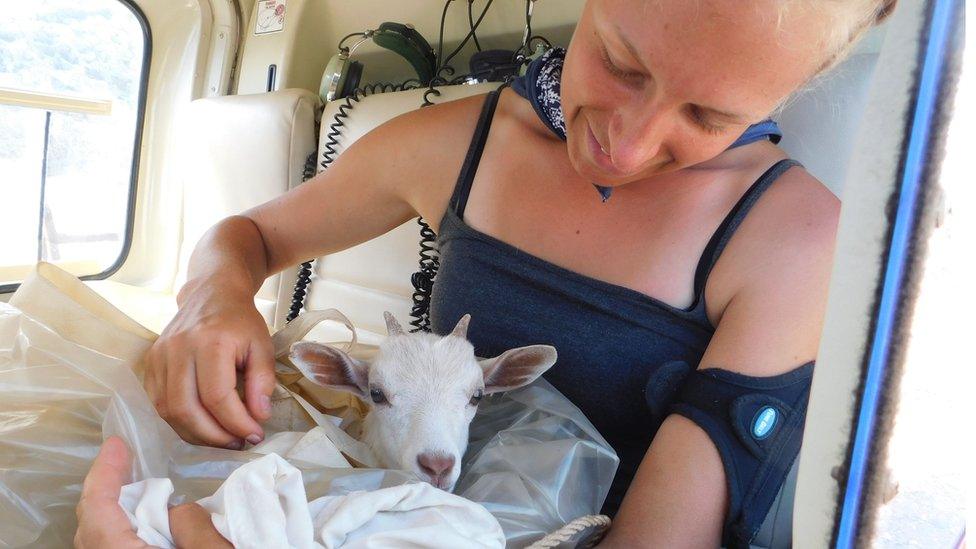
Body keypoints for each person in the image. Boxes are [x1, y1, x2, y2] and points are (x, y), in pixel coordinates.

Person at [138, 0, 895, 546]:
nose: (624, 149)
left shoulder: (800, 241)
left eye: (708, 116)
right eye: (620, 62)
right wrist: (213, 296)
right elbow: (248, 235)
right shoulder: (460, 143)